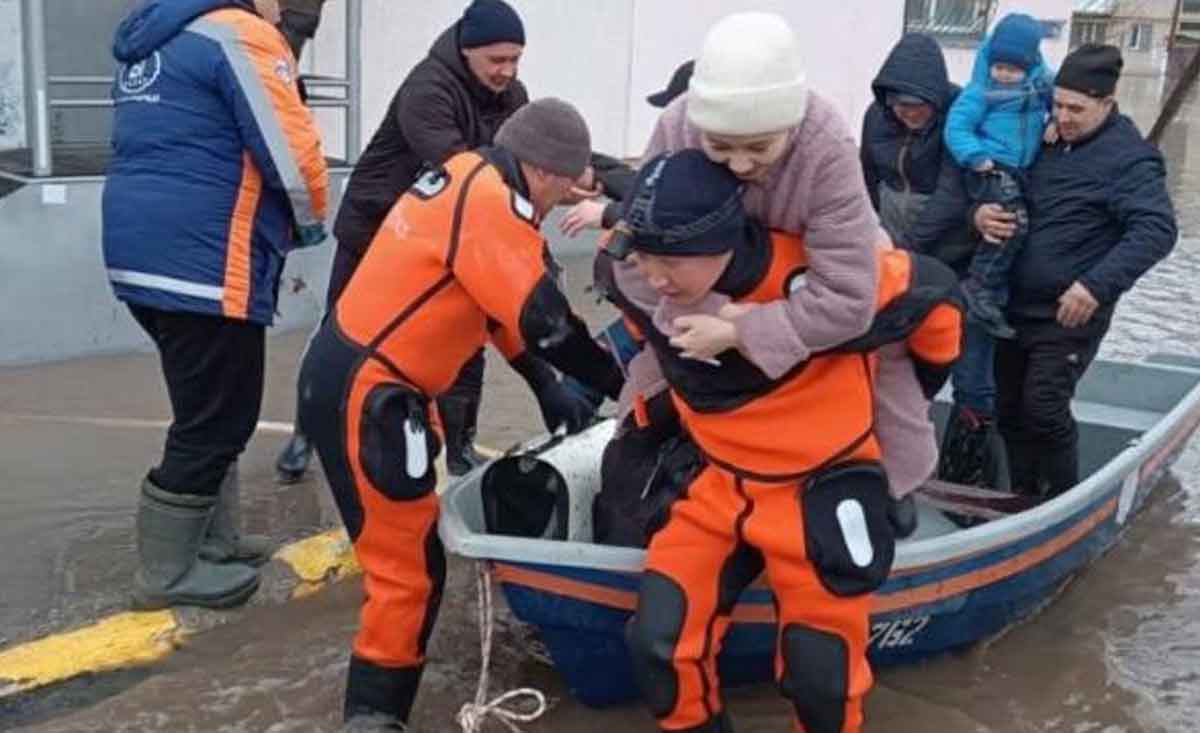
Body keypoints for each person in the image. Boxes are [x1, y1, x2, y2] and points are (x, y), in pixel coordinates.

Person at [602, 150, 961, 733]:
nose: (655, 278)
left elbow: (937, 294)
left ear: (720, 241)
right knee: (658, 647)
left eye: (669, 262)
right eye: (641, 258)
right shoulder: (637, 279)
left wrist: (920, 384)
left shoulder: (820, 280)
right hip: (720, 485)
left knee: (821, 677)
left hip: (821, 484)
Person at [297, 98, 623, 729]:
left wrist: (544, 386)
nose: (564, 202)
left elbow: (492, 302)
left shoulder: (473, 176)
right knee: (409, 573)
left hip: (366, 382)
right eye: (570, 186)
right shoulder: (491, 204)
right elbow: (544, 321)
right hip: (370, 395)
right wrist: (618, 379)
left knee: (414, 559)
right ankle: (371, 720)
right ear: (551, 173)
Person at [568, 12, 941, 520]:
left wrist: (745, 329)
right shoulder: (678, 126)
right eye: (720, 147)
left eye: (760, 148)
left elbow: (849, 298)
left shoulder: (825, 146)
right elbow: (636, 252)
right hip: (713, 279)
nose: (741, 165)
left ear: (790, 124)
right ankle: (656, 476)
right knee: (658, 365)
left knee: (882, 356)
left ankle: (894, 483)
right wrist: (699, 317)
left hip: (814, 270)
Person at [102, 0, 329, 609]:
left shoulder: (157, 38)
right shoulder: (243, 35)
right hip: (204, 258)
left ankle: (214, 540)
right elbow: (289, 149)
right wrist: (312, 223)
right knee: (220, 417)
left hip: (143, 250)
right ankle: (167, 572)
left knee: (202, 409)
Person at [276, 0, 532, 482]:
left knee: (466, 337)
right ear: (467, 49)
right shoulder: (428, 88)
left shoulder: (513, 96)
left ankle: (459, 447)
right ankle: (306, 433)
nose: (508, 71)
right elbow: (460, 168)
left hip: (447, 235)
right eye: (497, 59)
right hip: (378, 224)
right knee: (340, 335)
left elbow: (525, 156)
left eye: (515, 59)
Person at [973, 44, 1176, 498]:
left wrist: (1095, 286)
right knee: (1007, 410)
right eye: (1057, 104)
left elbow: (1157, 230)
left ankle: (1062, 502)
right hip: (1014, 305)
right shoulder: (1045, 141)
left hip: (1070, 312)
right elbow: (1004, 188)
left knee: (1043, 408)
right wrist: (980, 215)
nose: (1063, 116)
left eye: (1076, 109)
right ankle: (1024, 498)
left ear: (1106, 103)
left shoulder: (1130, 158)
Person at [860, 33, 1007, 489]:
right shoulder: (876, 119)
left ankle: (973, 469)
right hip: (894, 254)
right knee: (886, 361)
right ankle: (878, 454)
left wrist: (909, 256)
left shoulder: (959, 118)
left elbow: (950, 194)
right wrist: (867, 238)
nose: (907, 112)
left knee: (969, 369)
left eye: (917, 105)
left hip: (948, 258)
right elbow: (864, 179)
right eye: (899, 103)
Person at [945, 12, 1052, 340]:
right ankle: (978, 289)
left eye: (1013, 69)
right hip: (990, 168)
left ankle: (986, 290)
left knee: (1016, 227)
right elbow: (956, 127)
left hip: (1021, 170)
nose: (1004, 75)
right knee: (1011, 224)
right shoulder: (981, 92)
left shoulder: (1040, 88)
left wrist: (1054, 123)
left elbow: (1060, 101)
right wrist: (975, 156)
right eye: (999, 67)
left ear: (1030, 65)